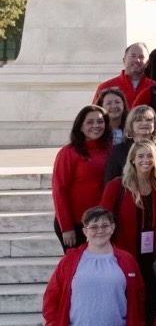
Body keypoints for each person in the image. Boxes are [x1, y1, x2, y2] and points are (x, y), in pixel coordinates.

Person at [41, 206, 145, 326]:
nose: (100, 230)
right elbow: (51, 297)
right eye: (94, 226)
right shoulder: (70, 260)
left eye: (105, 225)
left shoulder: (126, 260)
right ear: (85, 231)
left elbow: (138, 297)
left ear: (113, 228)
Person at [99, 140, 156, 326]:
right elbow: (103, 218)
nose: (146, 160)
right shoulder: (117, 186)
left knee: (150, 290)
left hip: (152, 252)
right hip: (125, 251)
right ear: (133, 160)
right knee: (128, 291)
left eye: (150, 156)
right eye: (141, 156)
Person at [52, 106, 111, 250]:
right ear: (80, 126)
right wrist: (66, 227)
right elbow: (59, 189)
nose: (96, 126)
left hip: (102, 223)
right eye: (90, 122)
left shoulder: (111, 150)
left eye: (100, 121)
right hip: (76, 224)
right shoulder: (68, 153)